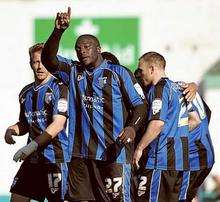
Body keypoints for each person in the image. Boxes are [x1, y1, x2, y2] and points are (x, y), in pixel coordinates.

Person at [41, 7, 147, 201]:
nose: (82, 51)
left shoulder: (119, 73)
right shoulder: (73, 71)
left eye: (87, 46)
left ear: (99, 49)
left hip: (113, 153)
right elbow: (48, 60)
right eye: (78, 48)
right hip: (80, 154)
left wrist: (132, 127)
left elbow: (140, 106)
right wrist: (58, 31)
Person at [4, 43, 69, 202]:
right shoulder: (25, 92)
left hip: (55, 159)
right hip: (33, 159)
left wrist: (30, 146)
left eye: (43, 62)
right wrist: (12, 130)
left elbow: (58, 125)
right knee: (17, 198)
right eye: (36, 62)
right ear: (30, 64)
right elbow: (25, 123)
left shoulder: (59, 88)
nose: (40, 67)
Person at [133, 52, 193, 202]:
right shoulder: (179, 88)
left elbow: (157, 123)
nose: (140, 74)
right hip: (182, 161)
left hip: (161, 161)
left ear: (152, 69)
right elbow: (195, 119)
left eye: (141, 70)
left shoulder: (159, 89)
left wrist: (139, 148)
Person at [178, 92, 214, 201]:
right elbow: (208, 112)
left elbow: (195, 121)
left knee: (181, 197)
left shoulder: (168, 91)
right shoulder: (185, 89)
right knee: (189, 196)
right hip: (205, 155)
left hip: (194, 158)